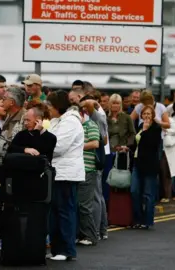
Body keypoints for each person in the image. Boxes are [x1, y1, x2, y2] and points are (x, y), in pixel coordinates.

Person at [46, 91, 84, 261]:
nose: (48, 109)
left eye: (50, 106)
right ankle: (56, 249)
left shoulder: (70, 122)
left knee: (65, 212)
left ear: (57, 106)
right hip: (56, 171)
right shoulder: (57, 121)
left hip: (66, 173)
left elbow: (58, 146)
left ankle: (67, 249)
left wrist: (43, 147)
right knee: (55, 212)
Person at [131, 106, 162, 229]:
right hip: (137, 163)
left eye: (149, 114)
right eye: (145, 114)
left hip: (150, 164)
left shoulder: (155, 128)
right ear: (141, 115)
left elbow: (152, 145)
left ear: (153, 115)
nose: (147, 116)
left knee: (148, 194)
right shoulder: (140, 127)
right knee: (134, 191)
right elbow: (137, 144)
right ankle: (137, 219)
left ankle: (147, 220)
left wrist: (145, 131)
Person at [75, 107, 100, 246]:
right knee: (78, 205)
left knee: (84, 206)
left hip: (88, 170)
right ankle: (83, 234)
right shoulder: (78, 126)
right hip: (78, 170)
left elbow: (95, 143)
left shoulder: (91, 125)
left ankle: (91, 236)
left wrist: (77, 146)